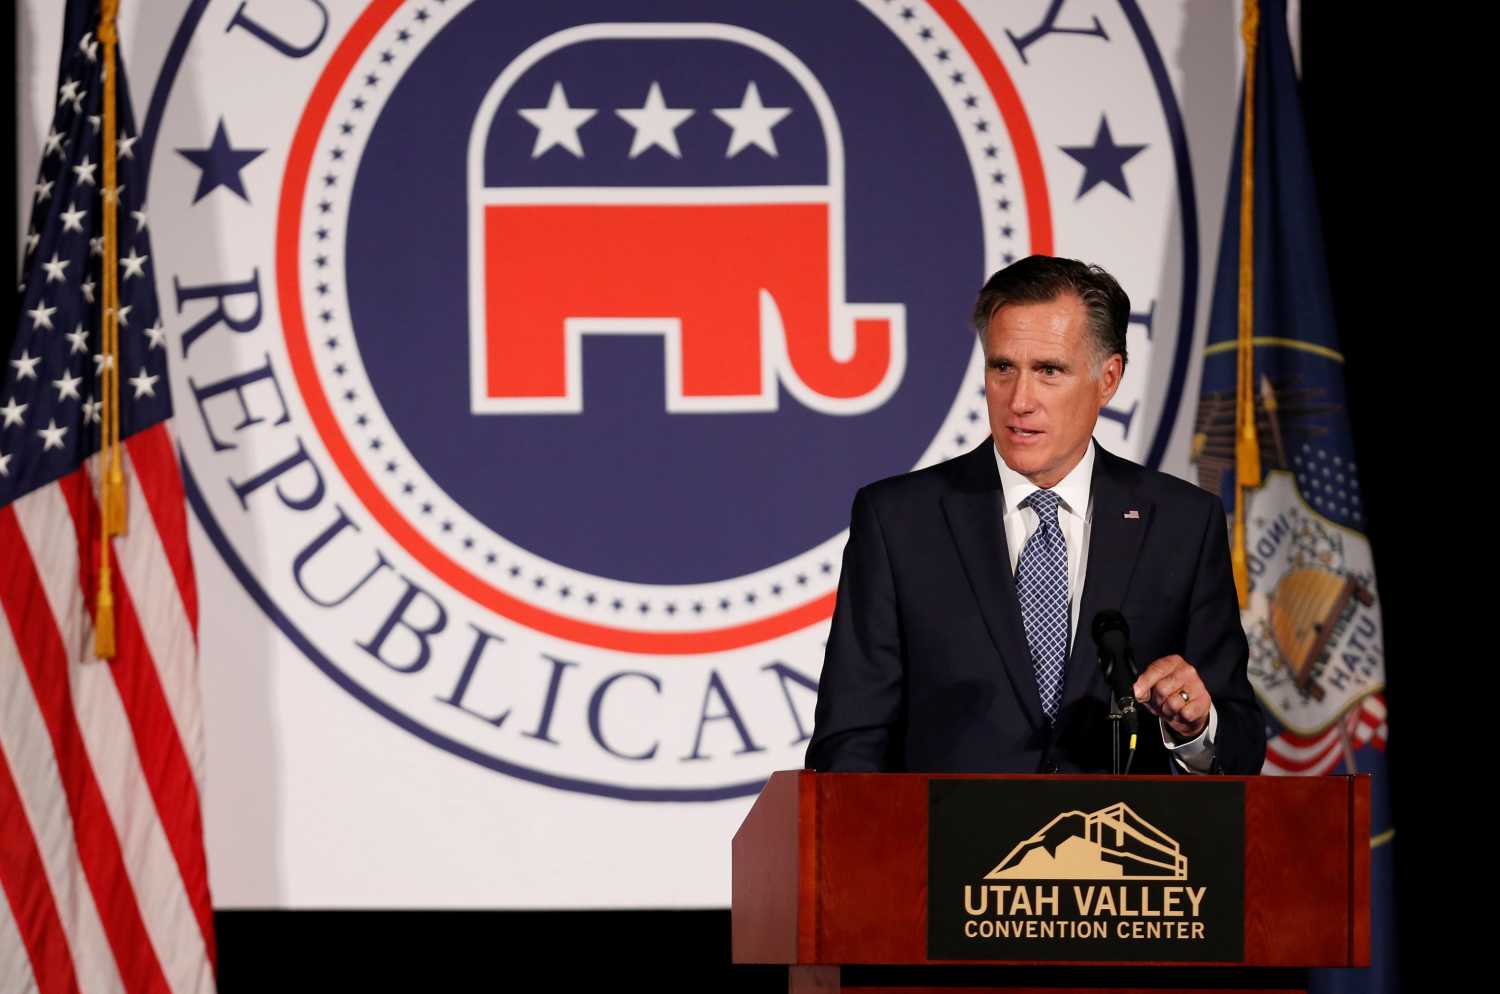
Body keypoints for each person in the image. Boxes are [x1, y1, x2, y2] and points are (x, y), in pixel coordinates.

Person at [804, 256, 1265, 775]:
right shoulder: (899, 522)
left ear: (1108, 378)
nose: (1019, 400)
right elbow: (849, 742)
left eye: (1049, 371)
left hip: (1125, 847)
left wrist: (1194, 730)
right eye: (1003, 368)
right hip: (948, 849)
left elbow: (1242, 742)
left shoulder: (1182, 523)